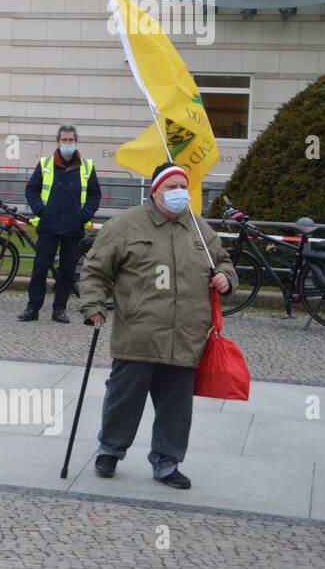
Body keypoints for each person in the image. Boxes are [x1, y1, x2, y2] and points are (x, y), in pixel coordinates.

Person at [78, 162, 237, 489]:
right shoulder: (126, 225)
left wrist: (226, 278)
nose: (180, 193)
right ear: (155, 191)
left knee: (177, 405)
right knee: (124, 397)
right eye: (172, 187)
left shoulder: (199, 229)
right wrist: (93, 305)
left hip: (187, 335)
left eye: (184, 187)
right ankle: (111, 448)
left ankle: (167, 460)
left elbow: (223, 262)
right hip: (139, 331)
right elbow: (95, 269)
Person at [19, 124, 102, 324]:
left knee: (66, 270)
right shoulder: (45, 164)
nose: (67, 144)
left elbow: (94, 195)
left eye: (70, 140)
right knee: (40, 267)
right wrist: (41, 210)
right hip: (48, 226)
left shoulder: (86, 167)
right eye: (64, 140)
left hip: (73, 228)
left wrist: (84, 215)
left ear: (76, 142)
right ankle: (33, 307)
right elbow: (32, 190)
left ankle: (59, 309)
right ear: (58, 142)